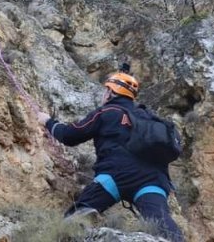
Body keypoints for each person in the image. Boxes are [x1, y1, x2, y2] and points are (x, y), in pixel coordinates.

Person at [37, 66, 185, 242]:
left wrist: (48, 121)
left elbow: (70, 135)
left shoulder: (107, 112)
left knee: (79, 214)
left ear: (110, 92)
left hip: (116, 176)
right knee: (162, 223)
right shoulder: (148, 116)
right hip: (153, 180)